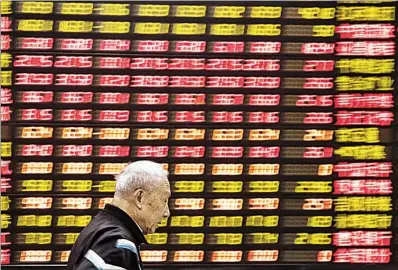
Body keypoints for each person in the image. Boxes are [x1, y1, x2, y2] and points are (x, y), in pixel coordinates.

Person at [67, 160, 171, 270]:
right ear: (139, 197)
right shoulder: (119, 243)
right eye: (164, 201)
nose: (166, 213)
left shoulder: (100, 228)